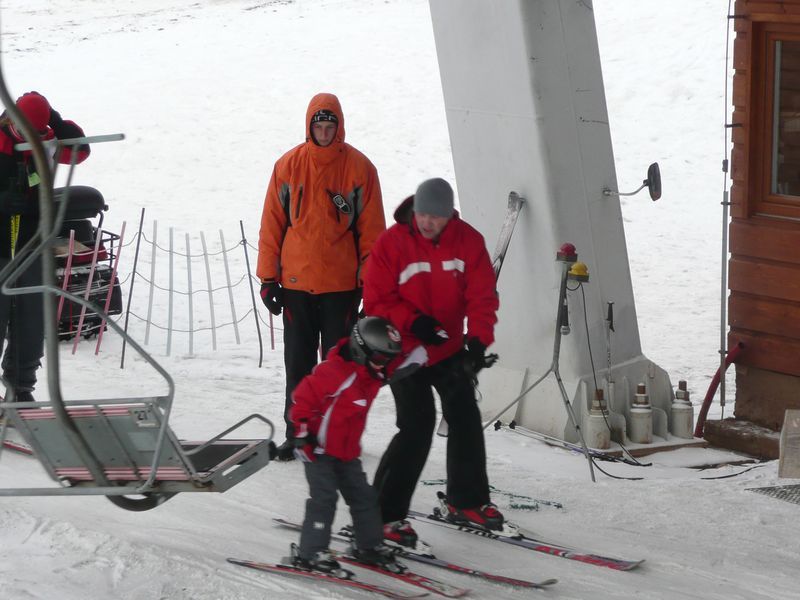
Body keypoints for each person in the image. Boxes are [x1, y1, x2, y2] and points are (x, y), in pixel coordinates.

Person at [363, 177, 504, 548]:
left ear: (449, 215)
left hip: (447, 345)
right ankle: (381, 516)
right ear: (415, 210)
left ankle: (467, 501)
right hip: (402, 346)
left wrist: (478, 342)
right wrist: (414, 323)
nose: (428, 222)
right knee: (417, 425)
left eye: (436, 217)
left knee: (465, 415)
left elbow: (482, 296)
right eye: (423, 215)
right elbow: (377, 300)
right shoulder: (391, 243)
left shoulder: (468, 241)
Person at [257, 92, 385, 461]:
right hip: (295, 285)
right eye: (320, 127)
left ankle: (335, 436)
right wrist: (268, 279)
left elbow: (373, 233)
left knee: (339, 367)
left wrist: (371, 289)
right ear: (309, 127)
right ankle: (298, 434)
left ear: (339, 127)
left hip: (342, 288)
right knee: (298, 365)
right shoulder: (288, 166)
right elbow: (272, 225)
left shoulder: (360, 169)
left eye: (331, 127)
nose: (325, 133)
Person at [288, 316, 423, 574]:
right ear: (362, 349)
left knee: (365, 498)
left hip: (347, 454)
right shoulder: (333, 372)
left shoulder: (371, 373)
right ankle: (310, 553)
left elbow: (405, 362)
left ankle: (368, 546)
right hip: (318, 451)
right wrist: (302, 434)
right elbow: (302, 399)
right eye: (381, 358)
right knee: (324, 499)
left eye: (388, 360)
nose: (384, 365)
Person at [0, 91, 91, 403]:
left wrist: (54, 118)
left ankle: (20, 389)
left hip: (32, 242)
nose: (33, 139)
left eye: (39, 132)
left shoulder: (48, 140)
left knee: (31, 319)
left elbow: (80, 151)